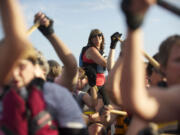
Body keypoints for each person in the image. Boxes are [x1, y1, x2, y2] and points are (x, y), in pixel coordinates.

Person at [120, 0, 180, 123]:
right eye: (179, 60)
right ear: (163, 69)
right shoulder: (175, 97)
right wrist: (135, 21)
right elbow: (136, 100)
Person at [0, 0, 33, 86]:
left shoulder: (50, 91)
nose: (14, 74)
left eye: (21, 66)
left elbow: (17, 45)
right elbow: (16, 44)